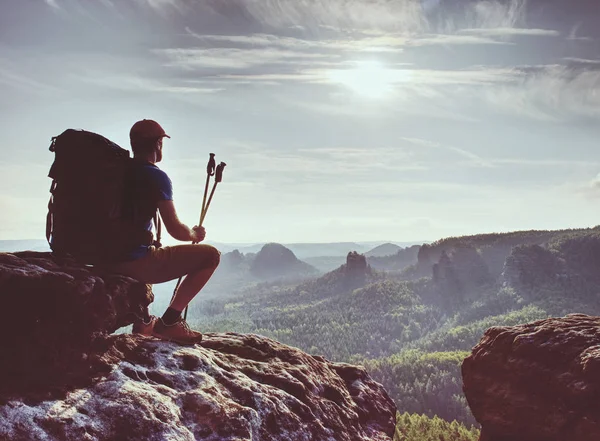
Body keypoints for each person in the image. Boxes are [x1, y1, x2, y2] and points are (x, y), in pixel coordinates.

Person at [105, 119, 221, 345]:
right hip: (129, 261)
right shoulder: (155, 176)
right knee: (210, 256)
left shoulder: (115, 173)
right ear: (158, 143)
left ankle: (144, 320)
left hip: (96, 256)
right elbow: (176, 230)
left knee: (150, 250)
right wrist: (193, 235)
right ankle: (169, 323)